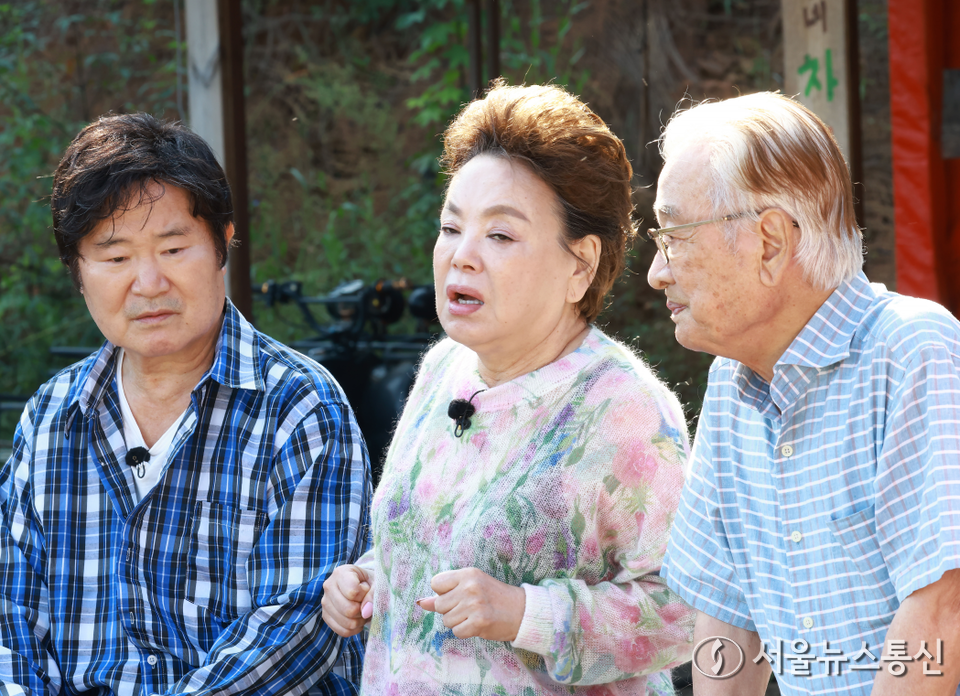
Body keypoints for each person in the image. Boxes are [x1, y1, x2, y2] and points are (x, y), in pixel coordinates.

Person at [320, 82, 695, 695]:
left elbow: (688, 609)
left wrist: (529, 614)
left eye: (500, 235)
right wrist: (364, 581)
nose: (461, 256)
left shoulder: (623, 410)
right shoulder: (444, 368)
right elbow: (427, 542)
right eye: (450, 227)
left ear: (580, 264)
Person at [0, 114, 371, 696]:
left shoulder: (299, 408)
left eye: (173, 247)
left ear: (222, 244)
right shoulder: (51, 417)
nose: (148, 282)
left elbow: (297, 625)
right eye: (116, 257)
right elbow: (9, 613)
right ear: (78, 271)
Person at [647, 91, 960, 696]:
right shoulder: (731, 382)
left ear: (768, 241)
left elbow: (942, 609)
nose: (658, 271)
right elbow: (728, 630)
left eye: (674, 237)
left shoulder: (912, 351)